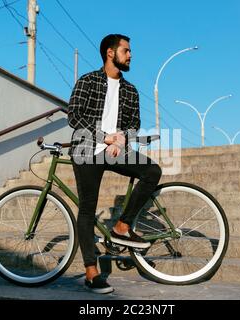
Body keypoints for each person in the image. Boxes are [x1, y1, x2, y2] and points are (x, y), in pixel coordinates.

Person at [67, 34, 162, 294]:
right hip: (87, 149)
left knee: (152, 170)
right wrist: (104, 137)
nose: (130, 55)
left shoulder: (130, 90)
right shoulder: (88, 81)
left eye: (130, 51)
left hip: (115, 150)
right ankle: (91, 271)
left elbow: (134, 125)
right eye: (126, 50)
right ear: (110, 53)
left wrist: (120, 140)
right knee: (87, 209)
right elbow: (74, 116)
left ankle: (122, 225)